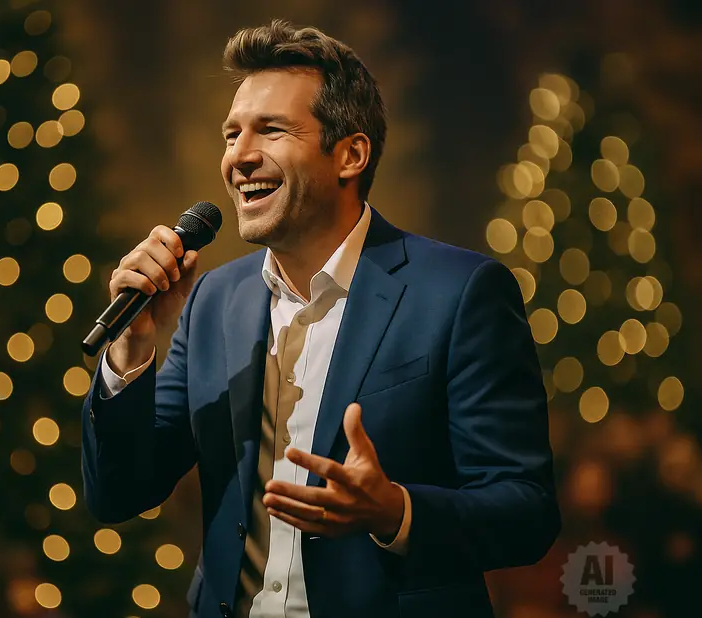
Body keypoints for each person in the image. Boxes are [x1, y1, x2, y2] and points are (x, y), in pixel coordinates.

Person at [81, 19, 560, 618]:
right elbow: (120, 492)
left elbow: (526, 510)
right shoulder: (213, 305)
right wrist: (129, 347)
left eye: (271, 130)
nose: (239, 157)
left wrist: (396, 512)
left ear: (350, 154)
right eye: (231, 135)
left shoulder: (459, 293)